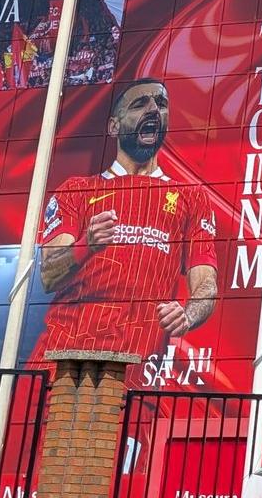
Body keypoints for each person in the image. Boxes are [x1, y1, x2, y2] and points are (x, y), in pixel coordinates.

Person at [32, 78, 223, 366]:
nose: (153, 110)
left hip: (135, 367)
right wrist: (87, 244)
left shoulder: (191, 198)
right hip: (62, 359)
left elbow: (206, 285)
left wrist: (187, 315)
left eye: (161, 104)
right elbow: (48, 276)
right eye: (139, 104)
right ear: (114, 126)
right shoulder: (76, 191)